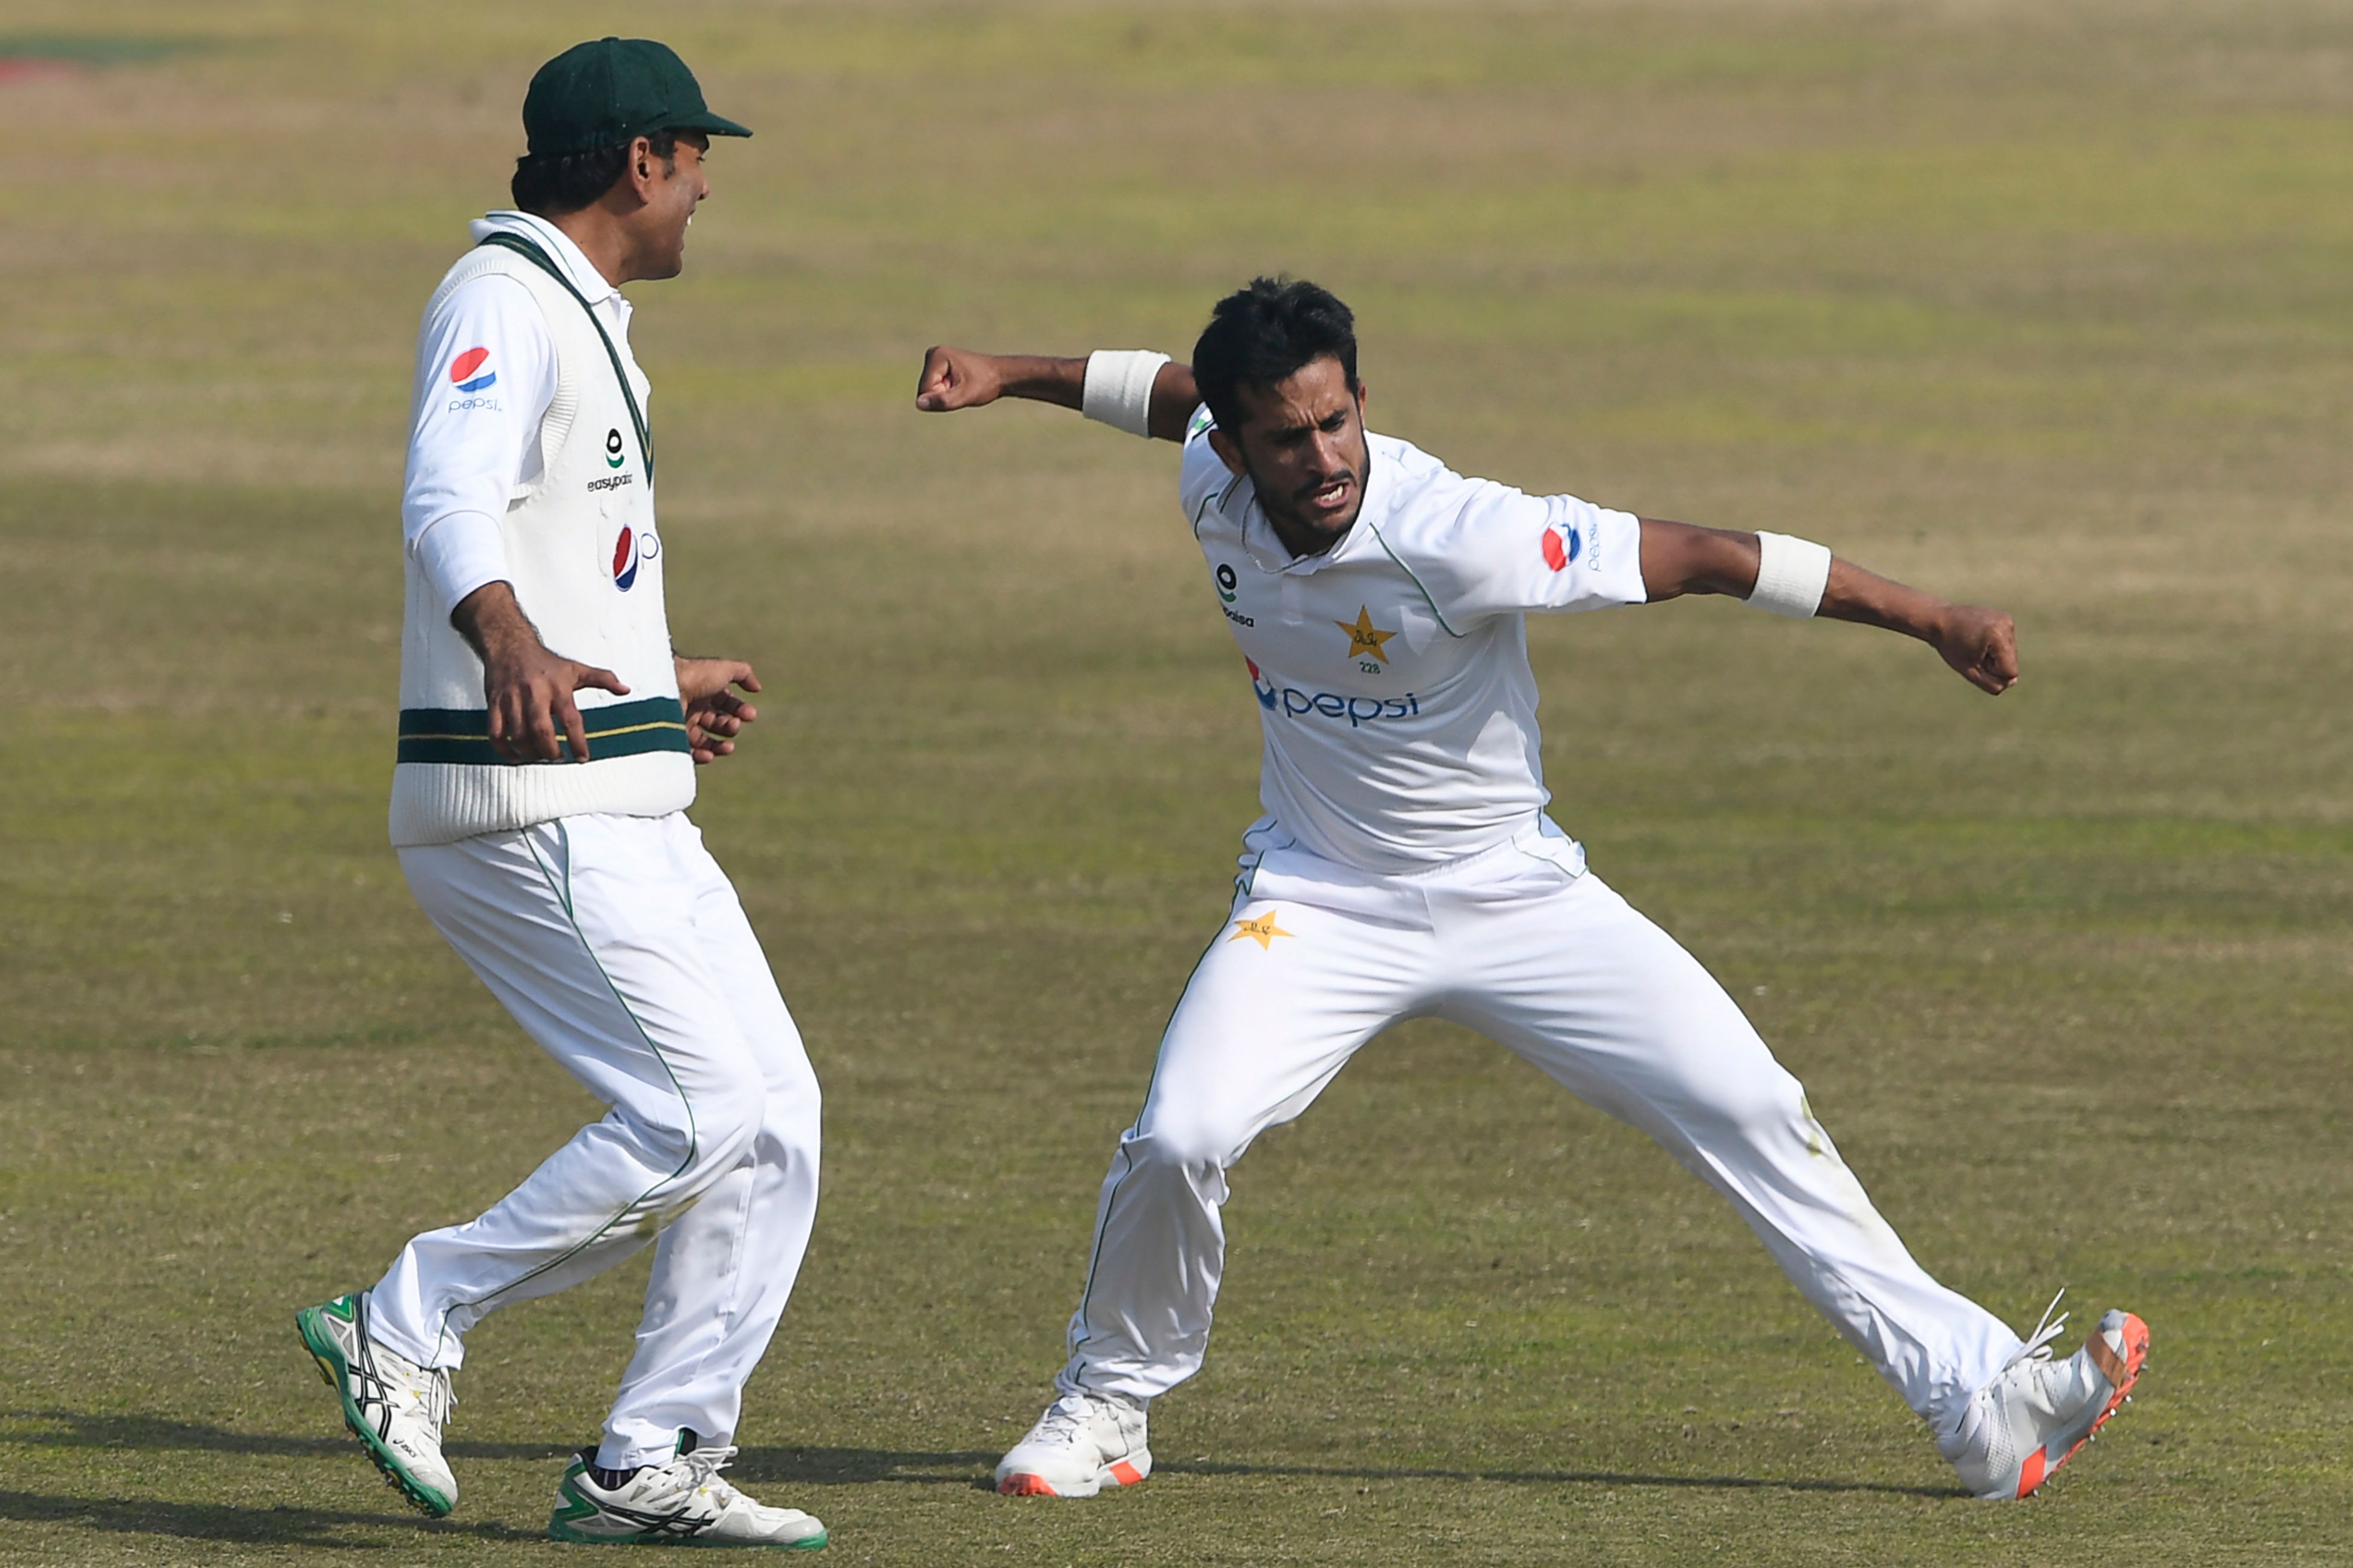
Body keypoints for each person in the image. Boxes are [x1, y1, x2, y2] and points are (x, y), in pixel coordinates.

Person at [914, 278, 2148, 1504]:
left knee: (1751, 1106)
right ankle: (1105, 1410)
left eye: (1337, 420)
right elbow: (1167, 392)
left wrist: (1929, 616)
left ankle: (1983, 1407)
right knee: (1179, 1134)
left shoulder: (1462, 531)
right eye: (1286, 438)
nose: (1323, 456)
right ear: (1234, 450)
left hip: (1516, 895)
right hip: (1317, 898)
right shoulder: (1210, 472)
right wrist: (1008, 375)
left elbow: (1707, 558)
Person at [295, 38, 827, 1550]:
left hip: (617, 790)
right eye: (693, 158)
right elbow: (445, 497)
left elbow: (557, 538)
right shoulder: (503, 300)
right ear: (638, 160)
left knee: (775, 1119)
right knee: (689, 1110)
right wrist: (509, 638)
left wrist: (662, 681)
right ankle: (409, 1318)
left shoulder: (582, 315)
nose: (706, 188)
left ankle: (647, 1458)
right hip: (521, 805)